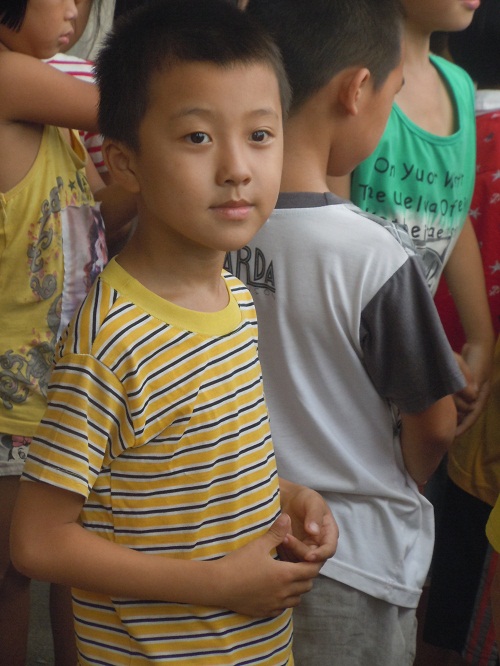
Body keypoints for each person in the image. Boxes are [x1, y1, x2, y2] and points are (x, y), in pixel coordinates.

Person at [10, 2, 338, 665]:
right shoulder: (110, 340)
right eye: (197, 137)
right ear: (125, 163)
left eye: (260, 134)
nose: (237, 167)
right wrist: (218, 585)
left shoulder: (236, 300)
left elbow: (183, 471)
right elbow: (37, 542)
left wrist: (287, 498)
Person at [226, 0, 464, 664]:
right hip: (353, 558)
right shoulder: (375, 256)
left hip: (226, 535)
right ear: (357, 90)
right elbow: (435, 424)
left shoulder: (208, 228)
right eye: (393, 95)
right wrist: (398, 475)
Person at [0, 1, 135, 664]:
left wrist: (142, 191)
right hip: (13, 405)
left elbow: (91, 210)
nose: (75, 9)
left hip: (57, 395)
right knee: (10, 577)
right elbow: (136, 107)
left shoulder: (51, 113)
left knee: (72, 573)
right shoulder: (9, 78)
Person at [334, 0, 494, 438]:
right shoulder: (355, 83)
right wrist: (419, 358)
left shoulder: (460, 84)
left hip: (417, 369)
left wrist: (480, 341)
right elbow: (332, 231)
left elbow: (451, 214)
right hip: (352, 362)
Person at [417, 1, 500, 663]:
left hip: (437, 351)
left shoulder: (453, 102)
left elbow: (455, 220)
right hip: (460, 360)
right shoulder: (440, 106)